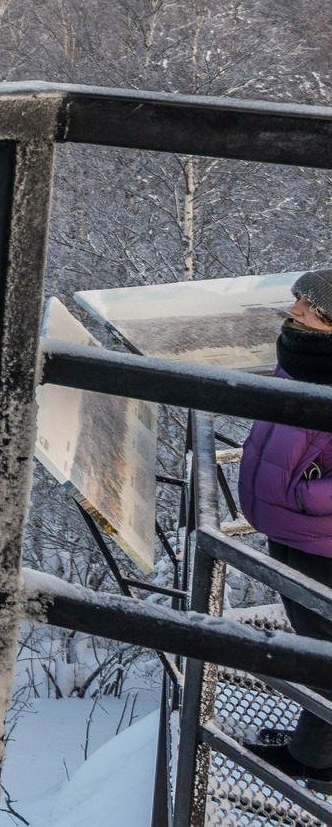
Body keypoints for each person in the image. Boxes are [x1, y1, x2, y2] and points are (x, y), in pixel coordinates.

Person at [237, 269, 332, 785]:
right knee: (315, 638)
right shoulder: (304, 353)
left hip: (320, 538)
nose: (296, 310)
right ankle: (312, 742)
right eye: (299, 298)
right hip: (294, 530)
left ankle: (316, 763)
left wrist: (304, 497)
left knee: (324, 652)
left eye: (310, 306)